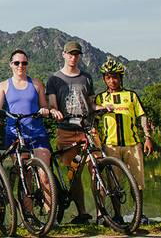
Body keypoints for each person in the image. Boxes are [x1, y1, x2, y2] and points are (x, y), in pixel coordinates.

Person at [0, 50, 60, 216]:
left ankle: (51, 216)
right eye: (17, 63)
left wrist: (45, 110)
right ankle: (29, 215)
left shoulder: (36, 84)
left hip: (37, 132)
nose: (21, 66)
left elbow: (44, 106)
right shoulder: (3, 86)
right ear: (11, 65)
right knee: (25, 175)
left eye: (24, 63)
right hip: (15, 134)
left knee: (44, 176)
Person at [95, 58, 153, 224]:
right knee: (114, 184)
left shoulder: (131, 95)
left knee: (138, 182)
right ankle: (117, 216)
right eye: (108, 77)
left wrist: (148, 137)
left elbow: (142, 117)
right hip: (110, 146)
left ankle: (139, 214)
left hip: (132, 145)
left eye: (115, 77)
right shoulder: (100, 98)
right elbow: (94, 122)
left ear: (120, 78)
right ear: (104, 79)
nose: (112, 80)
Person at [46, 40, 98, 225]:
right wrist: (54, 111)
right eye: (70, 54)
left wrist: (102, 107)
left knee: (97, 169)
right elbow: (52, 103)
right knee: (74, 173)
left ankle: (102, 213)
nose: (73, 57)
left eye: (76, 54)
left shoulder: (86, 77)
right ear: (64, 54)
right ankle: (82, 212)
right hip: (67, 132)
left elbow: (91, 103)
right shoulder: (54, 79)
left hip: (87, 130)